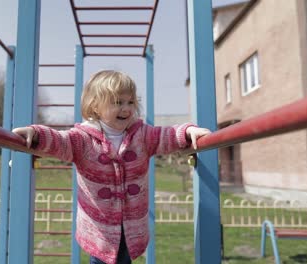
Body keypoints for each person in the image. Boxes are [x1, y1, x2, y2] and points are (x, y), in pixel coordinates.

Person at [12, 70, 211, 264]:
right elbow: (60, 141)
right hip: (99, 228)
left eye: (130, 102)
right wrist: (36, 133)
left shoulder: (141, 135)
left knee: (123, 257)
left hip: (132, 226)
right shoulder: (84, 138)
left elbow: (165, 136)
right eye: (117, 102)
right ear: (95, 107)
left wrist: (187, 132)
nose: (126, 108)